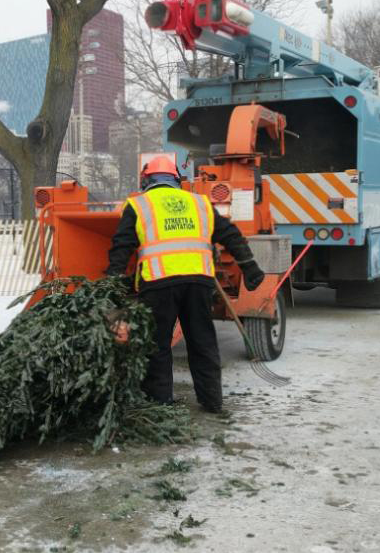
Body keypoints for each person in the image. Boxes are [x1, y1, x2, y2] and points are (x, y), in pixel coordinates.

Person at [105, 156, 265, 413]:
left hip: (158, 283)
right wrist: (250, 267)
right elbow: (230, 234)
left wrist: (111, 283)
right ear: (177, 180)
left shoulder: (138, 205)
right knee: (202, 340)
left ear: (146, 180)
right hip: (198, 282)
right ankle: (212, 401)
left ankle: (160, 403)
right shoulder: (199, 202)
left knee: (157, 345)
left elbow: (121, 248)